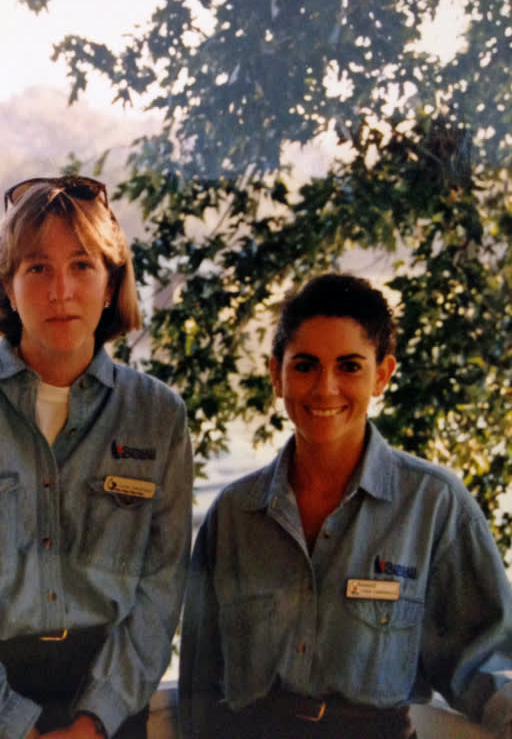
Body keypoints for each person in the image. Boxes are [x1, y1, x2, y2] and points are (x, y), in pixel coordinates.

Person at [0, 175, 193, 739]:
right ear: (6, 287)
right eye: (37, 268)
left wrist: (95, 722)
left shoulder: (158, 417)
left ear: (111, 278)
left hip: (103, 709)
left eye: (82, 265)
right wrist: (14, 727)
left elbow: (160, 593)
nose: (61, 290)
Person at [179, 272, 512, 739]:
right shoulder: (235, 516)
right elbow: (198, 685)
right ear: (276, 374)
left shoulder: (433, 506)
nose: (325, 388)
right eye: (306, 365)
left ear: (383, 375)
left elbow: (488, 662)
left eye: (350, 366)